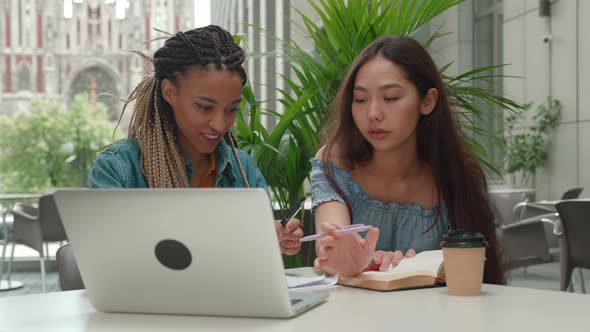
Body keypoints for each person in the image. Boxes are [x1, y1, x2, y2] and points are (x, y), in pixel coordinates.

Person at [89, 25, 302, 255]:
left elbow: (254, 266)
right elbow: (109, 263)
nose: (220, 124)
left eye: (231, 109)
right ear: (169, 92)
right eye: (204, 107)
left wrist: (273, 239)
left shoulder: (244, 171)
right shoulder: (117, 170)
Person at [310, 35, 504, 284]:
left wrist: (433, 268)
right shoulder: (334, 161)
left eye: (390, 98)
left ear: (428, 101)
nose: (373, 114)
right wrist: (345, 259)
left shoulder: (456, 174)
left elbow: (477, 273)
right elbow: (332, 242)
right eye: (360, 100)